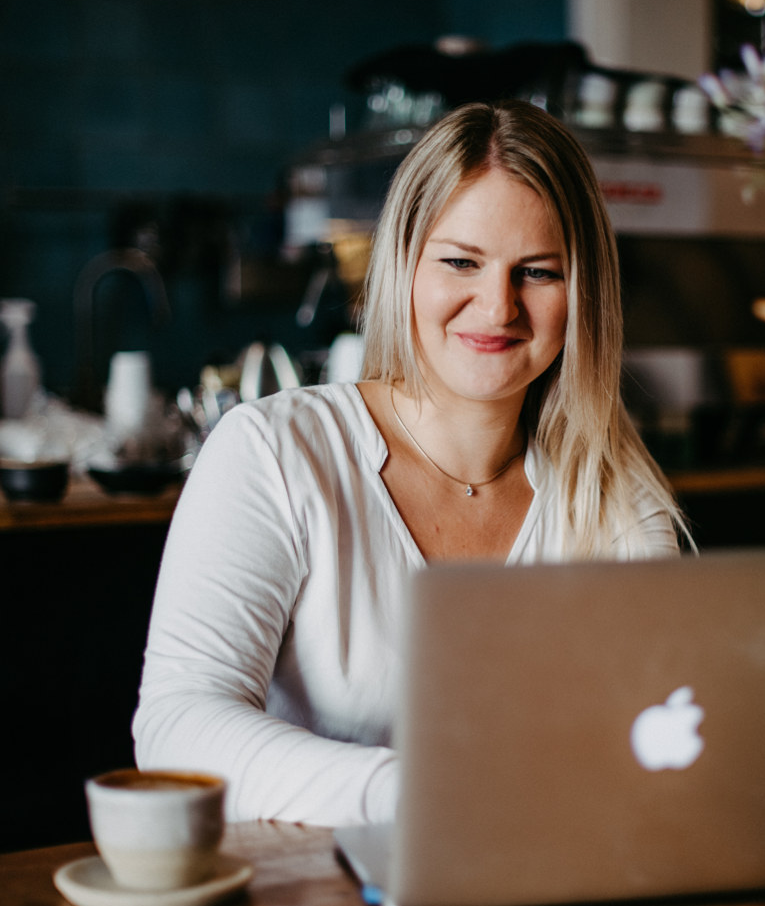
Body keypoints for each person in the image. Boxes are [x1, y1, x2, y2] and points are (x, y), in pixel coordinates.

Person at [134, 102, 683, 826]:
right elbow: (177, 729)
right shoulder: (273, 450)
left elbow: (658, 728)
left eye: (538, 272)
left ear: (582, 292)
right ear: (403, 265)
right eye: (460, 261)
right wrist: (417, 793)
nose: (496, 307)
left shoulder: (613, 493)